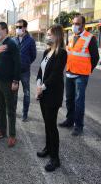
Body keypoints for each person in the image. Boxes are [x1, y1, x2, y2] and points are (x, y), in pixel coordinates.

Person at [59, 15, 99, 136]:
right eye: (73, 23)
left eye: (77, 24)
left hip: (81, 75)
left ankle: (78, 126)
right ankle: (69, 120)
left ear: (83, 25)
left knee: (79, 101)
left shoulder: (90, 38)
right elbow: (69, 54)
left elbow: (95, 57)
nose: (74, 26)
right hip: (69, 72)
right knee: (69, 99)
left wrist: (88, 70)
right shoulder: (71, 37)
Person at [36, 25, 67, 172]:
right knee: (47, 124)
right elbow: (41, 71)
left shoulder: (61, 53)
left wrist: (42, 87)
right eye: (47, 34)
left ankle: (55, 158)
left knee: (52, 126)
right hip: (43, 93)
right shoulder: (47, 51)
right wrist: (38, 84)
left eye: (50, 34)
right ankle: (48, 149)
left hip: (52, 94)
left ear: (57, 36)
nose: (47, 36)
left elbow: (55, 75)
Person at [0, 22, 21, 148]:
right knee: (0, 106)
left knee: (10, 109)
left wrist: (16, 81)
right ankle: (1, 130)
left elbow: (18, 63)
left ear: (5, 31)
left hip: (9, 82)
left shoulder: (11, 44)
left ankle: (12, 135)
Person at [13, 19, 36, 122]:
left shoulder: (30, 40)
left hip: (25, 71)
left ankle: (25, 113)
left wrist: (26, 63)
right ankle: (13, 111)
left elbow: (33, 55)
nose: (18, 29)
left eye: (20, 27)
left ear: (25, 28)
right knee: (14, 93)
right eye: (16, 27)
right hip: (14, 72)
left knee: (26, 93)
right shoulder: (13, 40)